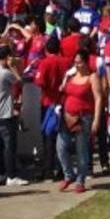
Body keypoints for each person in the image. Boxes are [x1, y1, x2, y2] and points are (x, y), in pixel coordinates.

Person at [57, 50, 103, 193]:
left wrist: (96, 119)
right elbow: (62, 90)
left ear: (86, 62)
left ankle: (80, 179)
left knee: (81, 149)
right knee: (61, 147)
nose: (77, 65)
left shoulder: (92, 77)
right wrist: (65, 79)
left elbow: (98, 98)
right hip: (67, 116)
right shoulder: (72, 75)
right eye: (75, 62)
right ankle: (68, 174)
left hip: (84, 117)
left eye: (80, 62)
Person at [0, 45, 29, 186]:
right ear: (6, 58)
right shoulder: (4, 72)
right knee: (10, 145)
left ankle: (2, 173)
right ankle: (11, 175)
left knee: (0, 145)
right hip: (5, 113)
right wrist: (13, 67)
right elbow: (20, 81)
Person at [33, 36, 67, 181]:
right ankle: (60, 168)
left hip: (48, 103)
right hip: (63, 102)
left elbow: (39, 82)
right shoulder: (66, 62)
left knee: (48, 137)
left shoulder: (44, 63)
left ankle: (49, 168)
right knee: (62, 136)